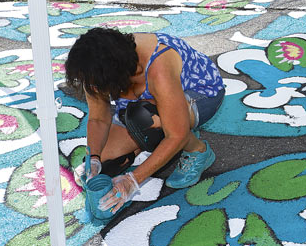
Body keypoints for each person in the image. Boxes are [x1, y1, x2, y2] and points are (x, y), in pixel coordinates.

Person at [65, 27, 225, 214]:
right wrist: (94, 158)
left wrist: (132, 180)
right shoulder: (94, 64)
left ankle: (197, 149)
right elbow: (99, 118)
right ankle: (147, 135)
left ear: (116, 75)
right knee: (108, 161)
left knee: (147, 120)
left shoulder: (158, 65)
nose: (91, 87)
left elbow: (176, 135)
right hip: (146, 104)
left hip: (201, 94)